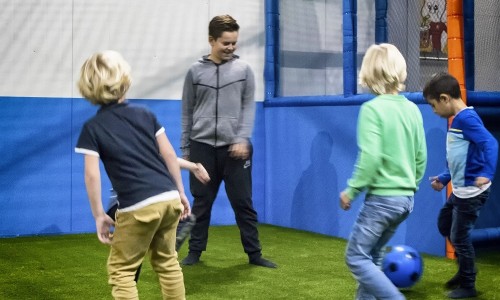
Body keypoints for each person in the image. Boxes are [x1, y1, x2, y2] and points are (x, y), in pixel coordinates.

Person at [74, 50, 189, 299]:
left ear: (88, 88)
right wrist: (180, 192)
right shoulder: (145, 114)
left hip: (137, 206)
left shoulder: (92, 128)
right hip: (169, 198)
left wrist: (98, 215)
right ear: (125, 79)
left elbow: (91, 175)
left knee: (121, 270)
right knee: (168, 263)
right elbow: (169, 155)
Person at [180, 14, 276, 268]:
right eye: (226, 43)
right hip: (201, 148)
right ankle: (194, 254)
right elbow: (187, 111)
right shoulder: (194, 72)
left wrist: (242, 138)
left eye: (234, 43)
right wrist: (186, 149)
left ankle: (255, 255)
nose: (231, 47)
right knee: (201, 204)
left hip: (236, 150)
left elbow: (248, 108)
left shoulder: (244, 71)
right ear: (211, 40)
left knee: (243, 204)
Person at [339, 43, 427, 300]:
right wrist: (409, 186)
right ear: (401, 71)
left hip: (382, 201)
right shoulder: (412, 109)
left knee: (356, 257)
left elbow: (371, 157)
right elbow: (420, 157)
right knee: (373, 255)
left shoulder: (372, 109)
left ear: (369, 75)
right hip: (405, 200)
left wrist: (352, 189)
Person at [423, 72, 498, 299]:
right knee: (445, 224)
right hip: (460, 191)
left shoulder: (467, 119)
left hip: (471, 193)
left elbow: (491, 143)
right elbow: (459, 158)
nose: (434, 111)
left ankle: (468, 284)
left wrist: (487, 172)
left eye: (434, 105)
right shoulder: (458, 120)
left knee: (459, 237)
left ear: (445, 98)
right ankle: (466, 268)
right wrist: (444, 178)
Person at [106, 158, 209, 282]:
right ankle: (163, 241)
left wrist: (194, 167)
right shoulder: (137, 146)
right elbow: (168, 159)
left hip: (134, 205)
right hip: (132, 205)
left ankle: (162, 241)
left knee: (130, 260)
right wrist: (194, 167)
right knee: (137, 259)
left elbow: (168, 159)